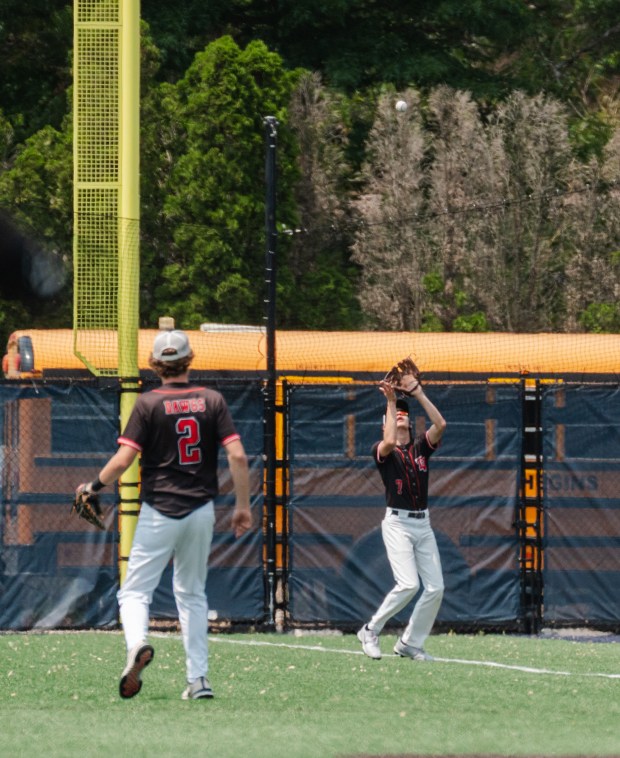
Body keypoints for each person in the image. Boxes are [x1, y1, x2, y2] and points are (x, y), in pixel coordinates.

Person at [75, 329, 252, 700]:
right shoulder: (212, 400)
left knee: (135, 591)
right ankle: (199, 680)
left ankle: (137, 645)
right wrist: (242, 506)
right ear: (189, 360)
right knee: (191, 594)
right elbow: (237, 455)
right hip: (201, 511)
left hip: (159, 511)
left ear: (156, 365)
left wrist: (93, 486)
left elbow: (124, 459)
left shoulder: (147, 403)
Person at [357, 377, 446, 661]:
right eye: (395, 418)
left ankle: (409, 643)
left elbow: (441, 425)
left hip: (423, 523)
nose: (400, 418)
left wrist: (418, 392)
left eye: (403, 416)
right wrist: (392, 401)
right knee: (409, 584)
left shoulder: (421, 447)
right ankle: (370, 630)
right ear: (387, 423)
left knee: (436, 588)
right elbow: (390, 440)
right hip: (398, 523)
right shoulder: (383, 450)